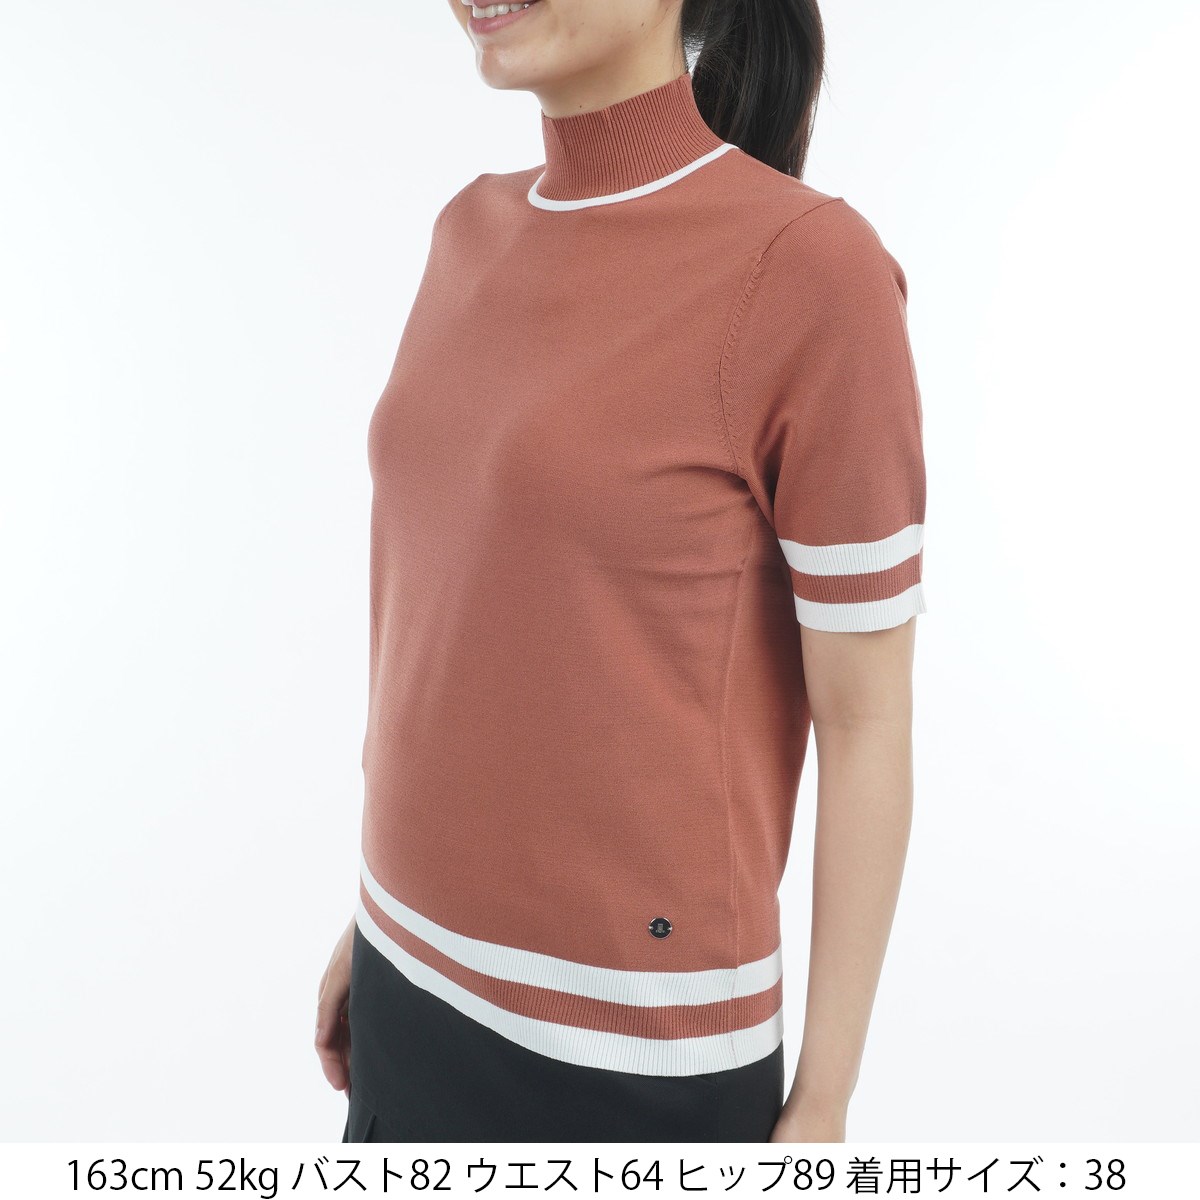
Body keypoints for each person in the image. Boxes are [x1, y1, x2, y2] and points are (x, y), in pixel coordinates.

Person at [316, 0, 927, 1144]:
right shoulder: (466, 229)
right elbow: (451, 612)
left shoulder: (809, 270)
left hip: (629, 1052)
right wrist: (374, 915)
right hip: (404, 978)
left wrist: (824, 1103)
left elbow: (866, 718)